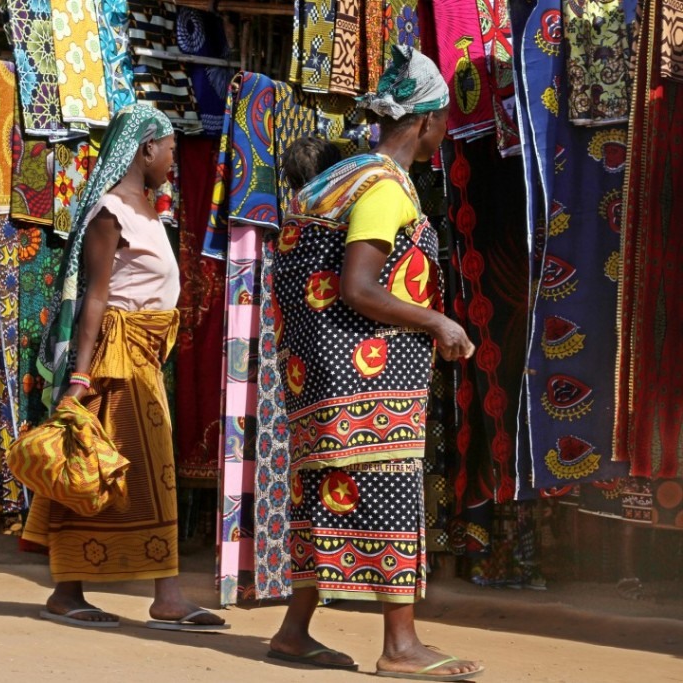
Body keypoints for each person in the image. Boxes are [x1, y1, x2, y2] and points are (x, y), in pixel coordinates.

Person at [267, 46, 484, 681]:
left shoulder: (333, 179)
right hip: (368, 374)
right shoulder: (385, 187)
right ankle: (401, 644)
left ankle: (293, 632)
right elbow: (359, 287)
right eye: (442, 120)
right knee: (391, 491)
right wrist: (439, 320)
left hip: (317, 374)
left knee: (326, 497)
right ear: (426, 123)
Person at [24, 106, 227, 631]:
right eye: (170, 152)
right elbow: (96, 297)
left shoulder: (148, 211)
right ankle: (145, 593)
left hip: (143, 357)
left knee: (129, 472)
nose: (173, 163)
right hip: (115, 358)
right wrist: (80, 377)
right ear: (145, 150)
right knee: (109, 467)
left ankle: (145, 592)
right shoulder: (111, 213)